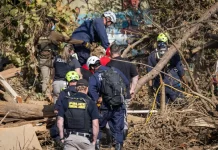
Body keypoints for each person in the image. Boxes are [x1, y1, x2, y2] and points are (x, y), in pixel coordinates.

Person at [87, 56, 130, 150]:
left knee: (98, 124)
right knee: (118, 127)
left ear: (92, 67)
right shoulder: (114, 70)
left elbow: (91, 89)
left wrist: (97, 99)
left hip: (104, 106)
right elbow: (126, 82)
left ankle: (97, 144)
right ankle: (118, 145)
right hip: (118, 104)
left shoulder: (95, 76)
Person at [106, 43, 138, 139]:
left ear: (111, 52)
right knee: (123, 116)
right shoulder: (128, 63)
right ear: (120, 52)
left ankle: (112, 139)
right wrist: (132, 89)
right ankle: (122, 139)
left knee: (111, 116)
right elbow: (135, 75)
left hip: (112, 96)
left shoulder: (109, 65)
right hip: (125, 94)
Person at [57, 79, 99, 150]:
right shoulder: (91, 103)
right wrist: (94, 141)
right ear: (87, 88)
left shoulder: (66, 100)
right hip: (86, 140)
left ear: (76, 88)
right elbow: (95, 124)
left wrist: (62, 138)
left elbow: (59, 121)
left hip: (70, 139)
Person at [36, 16, 70, 101]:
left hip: (42, 59)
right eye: (53, 23)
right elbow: (66, 39)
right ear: (50, 23)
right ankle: (51, 97)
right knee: (53, 78)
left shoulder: (38, 33)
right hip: (52, 60)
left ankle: (46, 96)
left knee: (45, 79)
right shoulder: (53, 34)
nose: (54, 25)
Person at [147, 33, 186, 104]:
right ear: (167, 41)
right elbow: (180, 69)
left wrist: (150, 88)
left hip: (160, 85)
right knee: (181, 106)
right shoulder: (173, 52)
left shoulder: (152, 55)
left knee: (163, 108)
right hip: (174, 84)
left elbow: (150, 75)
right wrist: (186, 82)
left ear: (157, 42)